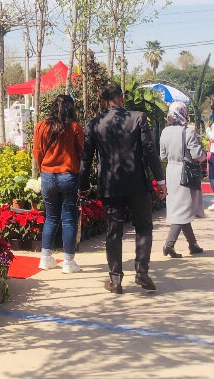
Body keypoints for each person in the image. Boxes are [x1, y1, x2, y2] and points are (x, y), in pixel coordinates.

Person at [79, 83, 167, 294]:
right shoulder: (138, 118)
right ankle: (142, 272)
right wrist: (160, 180)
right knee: (143, 227)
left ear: (103, 101)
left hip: (110, 185)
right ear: (123, 98)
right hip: (137, 184)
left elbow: (86, 158)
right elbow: (150, 150)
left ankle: (116, 279)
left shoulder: (93, 124)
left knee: (113, 230)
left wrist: (83, 185)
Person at [33, 94, 84, 274]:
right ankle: (68, 262)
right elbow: (81, 153)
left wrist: (43, 169)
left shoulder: (41, 125)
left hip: (48, 175)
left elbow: (37, 151)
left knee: (51, 217)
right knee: (69, 219)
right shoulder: (75, 127)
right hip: (69, 175)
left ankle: (45, 258)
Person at [158, 101, 206, 258]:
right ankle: (169, 244)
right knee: (182, 209)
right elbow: (197, 155)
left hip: (171, 171)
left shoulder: (165, 132)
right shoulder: (188, 132)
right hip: (185, 172)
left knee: (181, 208)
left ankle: (193, 244)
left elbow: (163, 156)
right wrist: (203, 154)